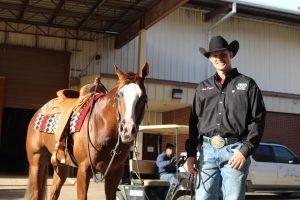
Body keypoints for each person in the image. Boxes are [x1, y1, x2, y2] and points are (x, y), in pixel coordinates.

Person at [186, 35, 266, 200]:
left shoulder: (248, 84)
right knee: (203, 198)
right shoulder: (202, 88)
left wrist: (245, 150)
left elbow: (258, 119)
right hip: (207, 153)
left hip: (235, 152)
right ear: (210, 58)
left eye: (223, 54)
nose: (219, 58)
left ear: (231, 54)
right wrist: (191, 153)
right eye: (215, 55)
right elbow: (194, 122)